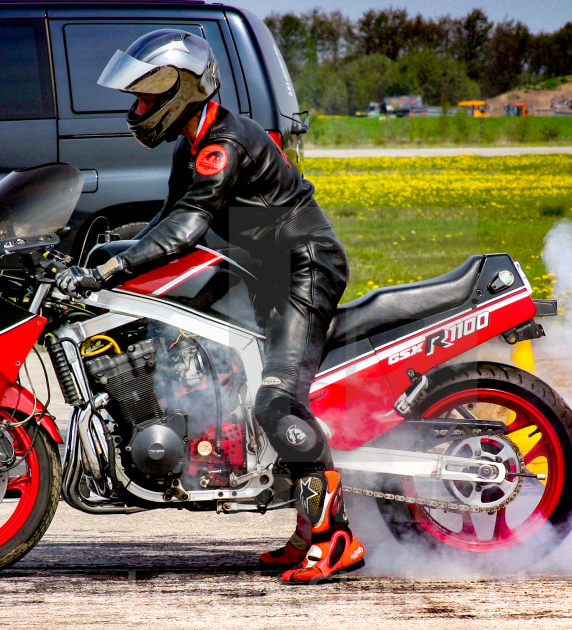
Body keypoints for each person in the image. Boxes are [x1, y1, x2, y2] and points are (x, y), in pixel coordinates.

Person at [54, 29, 365, 584]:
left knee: (276, 402)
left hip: (302, 268)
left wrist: (108, 270)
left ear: (177, 90)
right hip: (266, 274)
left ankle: (334, 536)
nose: (138, 108)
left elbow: (185, 228)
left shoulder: (224, 143)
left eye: (145, 97)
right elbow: (167, 219)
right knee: (229, 384)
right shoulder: (191, 140)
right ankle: (303, 529)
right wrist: (99, 254)